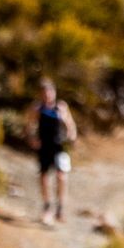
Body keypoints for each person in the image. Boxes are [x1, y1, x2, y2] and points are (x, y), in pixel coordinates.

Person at [35, 77, 75, 224]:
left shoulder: (61, 107)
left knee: (61, 176)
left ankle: (60, 207)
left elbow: (71, 125)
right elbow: (27, 125)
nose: (47, 95)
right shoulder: (37, 108)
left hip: (60, 147)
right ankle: (47, 206)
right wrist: (31, 139)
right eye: (44, 93)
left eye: (49, 92)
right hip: (44, 147)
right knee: (44, 177)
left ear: (54, 92)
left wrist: (71, 136)